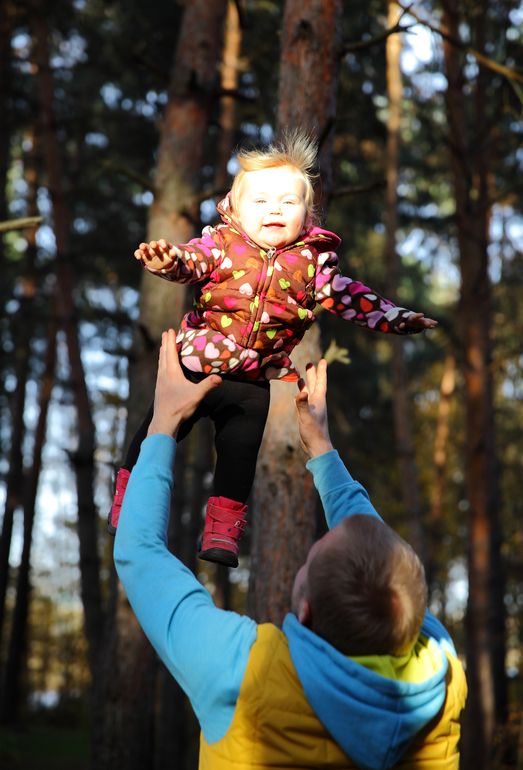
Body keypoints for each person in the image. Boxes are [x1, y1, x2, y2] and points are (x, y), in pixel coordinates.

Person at [114, 329, 467, 770]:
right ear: (415, 616)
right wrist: (321, 447)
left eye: (311, 560)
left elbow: (139, 553)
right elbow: (378, 556)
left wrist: (164, 421)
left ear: (306, 612)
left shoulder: (243, 676)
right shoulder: (441, 671)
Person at [109, 131, 437, 570]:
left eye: (288, 202)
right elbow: (192, 261)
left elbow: (350, 297)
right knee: (156, 431)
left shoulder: (312, 264)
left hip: (251, 381)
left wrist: (396, 318)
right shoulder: (223, 244)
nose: (275, 209)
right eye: (261, 201)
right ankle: (127, 501)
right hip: (195, 366)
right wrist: (168, 261)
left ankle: (222, 533)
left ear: (307, 215)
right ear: (236, 208)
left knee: (239, 458)